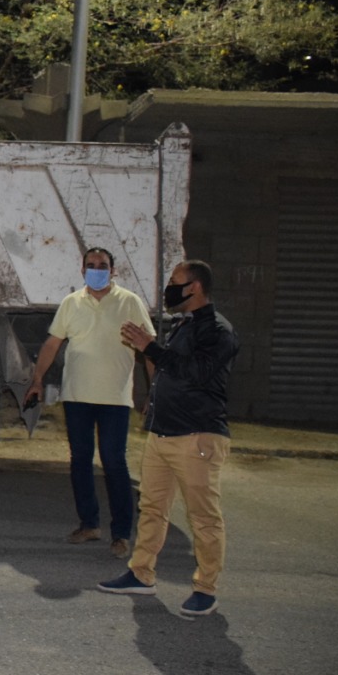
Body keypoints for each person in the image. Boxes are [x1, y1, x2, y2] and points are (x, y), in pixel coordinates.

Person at [98, 259, 240, 617]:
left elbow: (198, 373)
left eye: (175, 282)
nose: (169, 288)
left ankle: (205, 589)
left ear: (194, 288)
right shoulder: (184, 325)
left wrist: (151, 347)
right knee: (152, 509)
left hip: (197, 437)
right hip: (162, 435)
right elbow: (170, 372)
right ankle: (141, 573)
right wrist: (154, 401)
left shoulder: (217, 330)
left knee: (203, 517)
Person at [26, 247, 155, 559]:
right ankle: (89, 525)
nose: (97, 269)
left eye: (103, 265)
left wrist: (155, 393)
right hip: (77, 397)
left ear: (113, 270)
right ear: (82, 270)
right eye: (91, 265)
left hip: (115, 399)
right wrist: (37, 379)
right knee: (80, 461)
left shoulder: (130, 302)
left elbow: (149, 348)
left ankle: (122, 534)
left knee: (114, 463)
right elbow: (52, 343)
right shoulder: (72, 303)